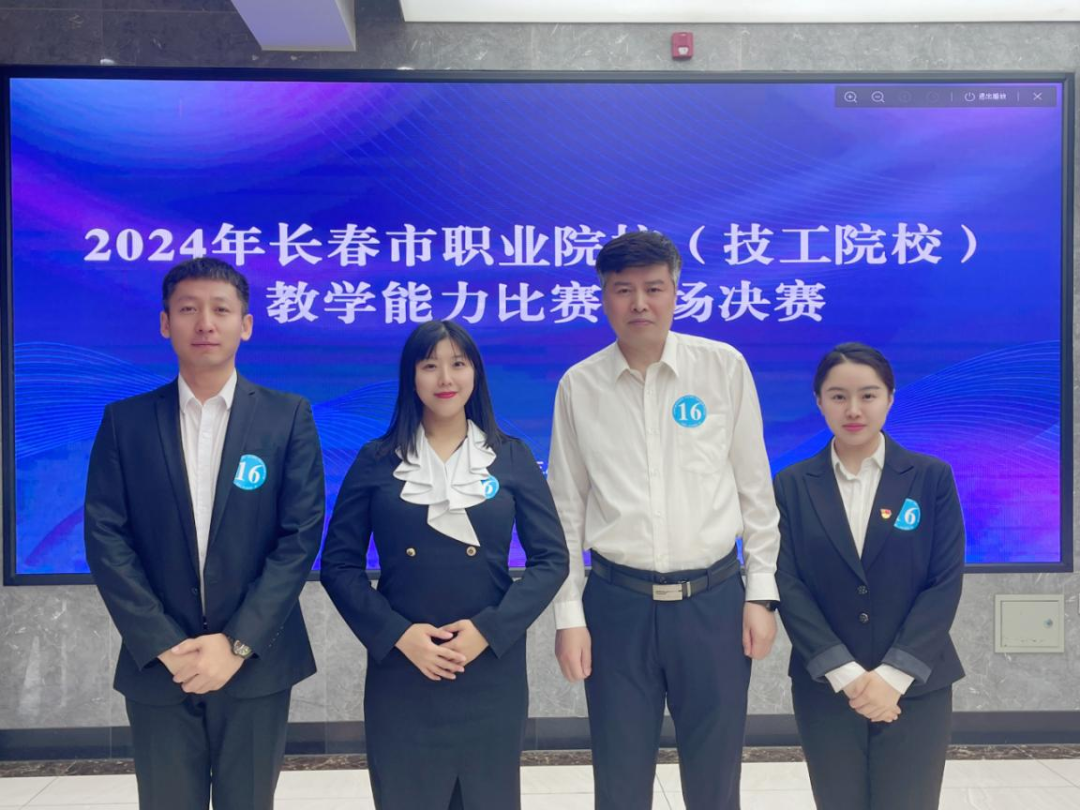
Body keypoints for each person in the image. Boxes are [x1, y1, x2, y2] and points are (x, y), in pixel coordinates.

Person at [547, 231, 781, 810]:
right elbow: (565, 510)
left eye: (653, 288)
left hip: (714, 602)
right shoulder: (579, 385)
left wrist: (761, 594)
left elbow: (755, 489)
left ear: (676, 292)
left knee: (716, 777)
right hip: (617, 605)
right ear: (603, 297)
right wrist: (569, 615)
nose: (639, 303)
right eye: (622, 289)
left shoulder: (722, 368)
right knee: (620, 777)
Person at [84, 257, 325, 810]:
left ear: (246, 324)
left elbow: (299, 536)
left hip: (256, 663)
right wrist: (165, 645)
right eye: (189, 309)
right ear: (165, 322)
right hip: (159, 666)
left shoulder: (287, 416)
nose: (206, 323)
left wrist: (238, 643)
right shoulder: (125, 422)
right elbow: (106, 538)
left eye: (221, 309)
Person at [321, 319, 568, 810]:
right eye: (430, 365)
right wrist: (397, 634)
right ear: (411, 377)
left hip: (489, 670)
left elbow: (552, 559)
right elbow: (339, 566)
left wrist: (489, 630)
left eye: (458, 363)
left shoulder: (510, 457)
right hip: (403, 671)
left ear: (476, 373)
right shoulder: (376, 460)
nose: (445, 378)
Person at [774, 342, 965, 810]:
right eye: (838, 396)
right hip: (828, 688)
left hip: (916, 686)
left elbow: (943, 582)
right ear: (819, 401)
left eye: (868, 395)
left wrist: (894, 676)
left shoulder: (931, 478)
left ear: (890, 398)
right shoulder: (792, 485)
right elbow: (787, 581)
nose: (854, 410)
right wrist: (846, 675)